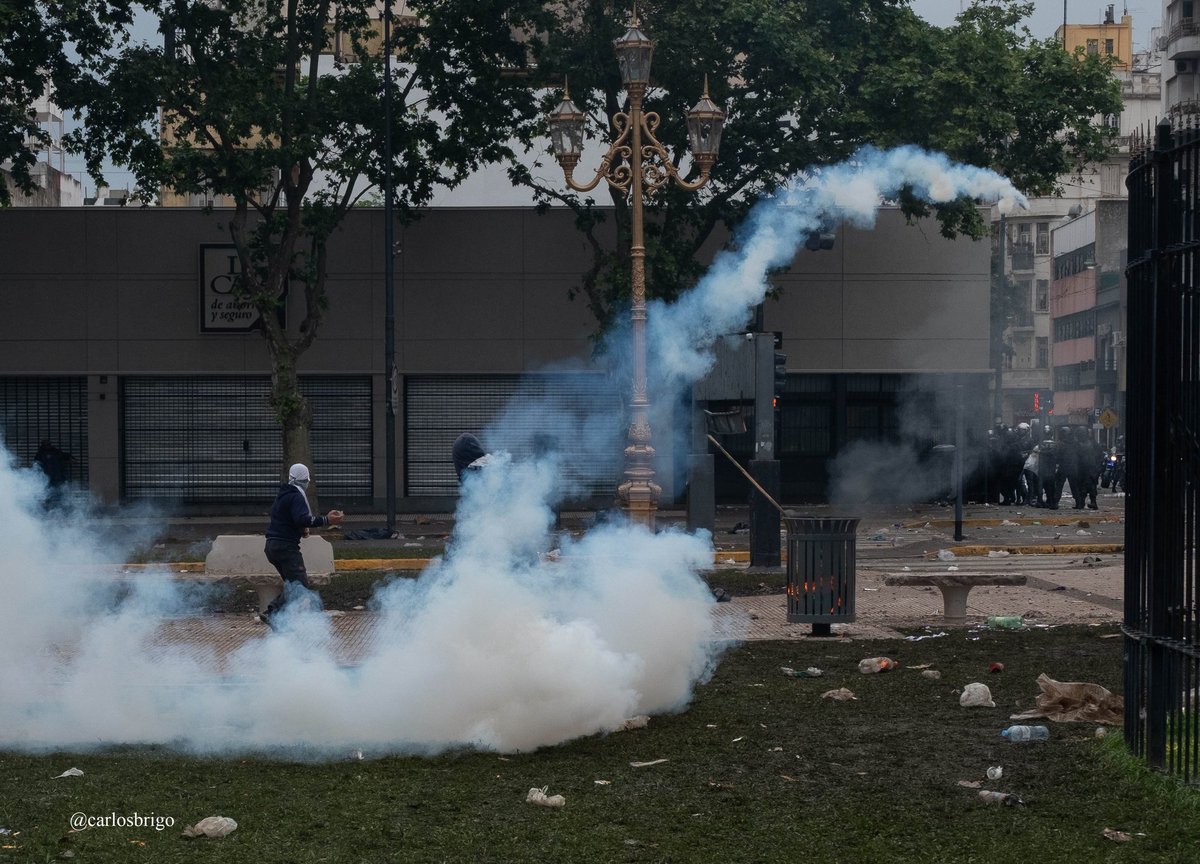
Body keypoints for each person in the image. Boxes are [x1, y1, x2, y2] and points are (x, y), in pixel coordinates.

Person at [260, 463, 343, 628]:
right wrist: (326, 520)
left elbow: (286, 519)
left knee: (292, 586)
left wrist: (300, 530)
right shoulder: (297, 495)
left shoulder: (283, 494)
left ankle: (281, 626)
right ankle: (272, 612)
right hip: (286, 547)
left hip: (272, 546)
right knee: (300, 586)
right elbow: (301, 518)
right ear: (305, 480)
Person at [33, 439, 71, 508]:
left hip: (57, 476)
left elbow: (65, 456)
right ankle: (49, 507)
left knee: (59, 492)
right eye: (46, 444)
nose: (48, 446)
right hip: (47, 477)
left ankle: (60, 506)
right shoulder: (40, 454)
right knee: (48, 493)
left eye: (48, 444)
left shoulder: (55, 452)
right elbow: (36, 465)